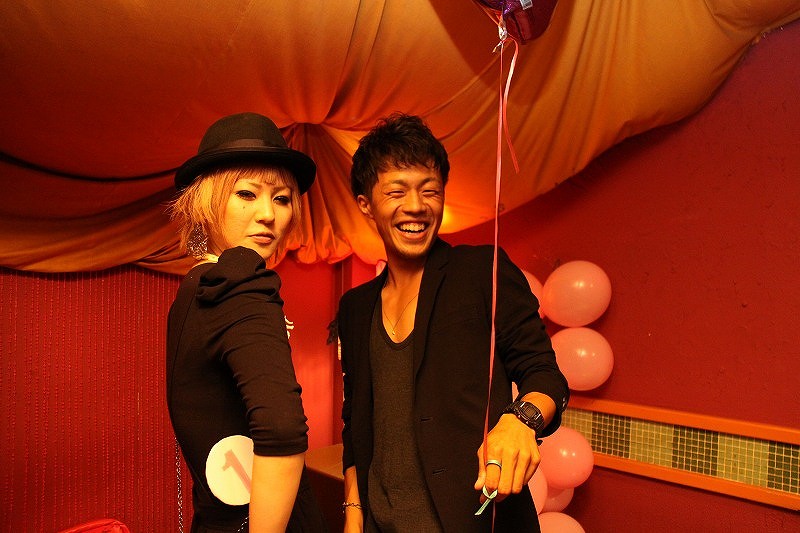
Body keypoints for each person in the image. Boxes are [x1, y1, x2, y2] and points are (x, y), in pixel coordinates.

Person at [337, 113, 570, 532]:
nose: (416, 206)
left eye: (429, 190)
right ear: (366, 204)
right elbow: (355, 419)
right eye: (396, 191)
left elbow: (545, 375)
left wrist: (520, 420)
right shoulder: (355, 307)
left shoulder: (482, 271)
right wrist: (354, 512)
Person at [166, 112, 327, 532]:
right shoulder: (240, 280)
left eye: (281, 198)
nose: (268, 214)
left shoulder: (196, 285)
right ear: (206, 201)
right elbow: (282, 430)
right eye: (246, 193)